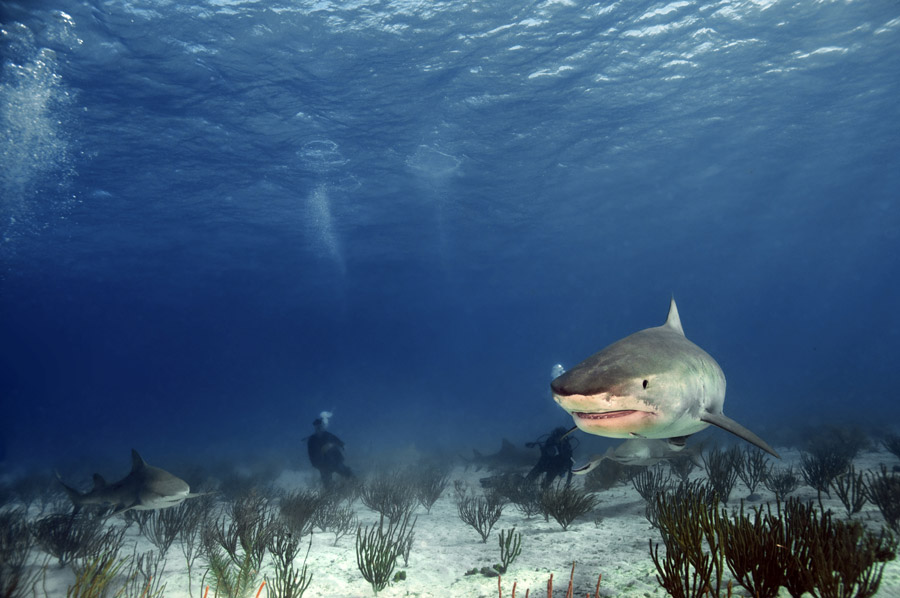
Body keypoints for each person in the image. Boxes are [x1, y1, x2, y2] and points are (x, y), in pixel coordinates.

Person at [306, 418, 353, 486]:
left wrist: (342, 445)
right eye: (317, 427)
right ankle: (332, 491)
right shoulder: (312, 440)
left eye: (320, 426)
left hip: (335, 461)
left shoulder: (327, 435)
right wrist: (315, 464)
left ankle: (356, 484)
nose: (318, 428)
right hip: (322, 464)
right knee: (327, 484)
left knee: (347, 474)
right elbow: (310, 453)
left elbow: (337, 441)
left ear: (322, 426)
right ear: (315, 428)